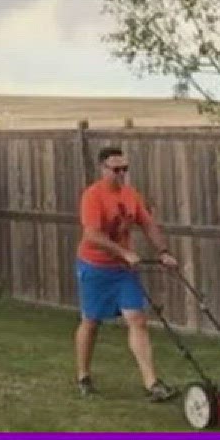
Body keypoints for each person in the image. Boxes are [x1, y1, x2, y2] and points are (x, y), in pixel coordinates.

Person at [74, 146, 179, 401]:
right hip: (95, 267)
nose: (121, 174)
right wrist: (124, 252)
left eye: (125, 169)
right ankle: (83, 375)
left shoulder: (131, 195)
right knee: (91, 322)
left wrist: (164, 251)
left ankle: (151, 383)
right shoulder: (93, 196)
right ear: (103, 169)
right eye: (116, 169)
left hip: (122, 271)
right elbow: (92, 235)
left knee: (138, 319)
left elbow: (148, 224)